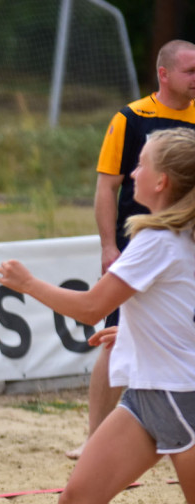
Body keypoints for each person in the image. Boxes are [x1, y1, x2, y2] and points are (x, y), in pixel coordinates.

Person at [0, 127, 195, 504]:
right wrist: (129, 331)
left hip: (181, 397)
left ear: (162, 181)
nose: (131, 172)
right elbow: (176, 309)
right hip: (151, 396)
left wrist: (27, 283)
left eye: (141, 163)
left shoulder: (158, 239)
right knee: (75, 503)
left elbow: (88, 307)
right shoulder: (174, 235)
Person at [68, 39, 195, 459]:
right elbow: (107, 185)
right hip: (136, 245)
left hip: (184, 246)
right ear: (163, 74)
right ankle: (95, 439)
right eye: (190, 71)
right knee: (113, 338)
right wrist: (109, 246)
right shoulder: (131, 117)